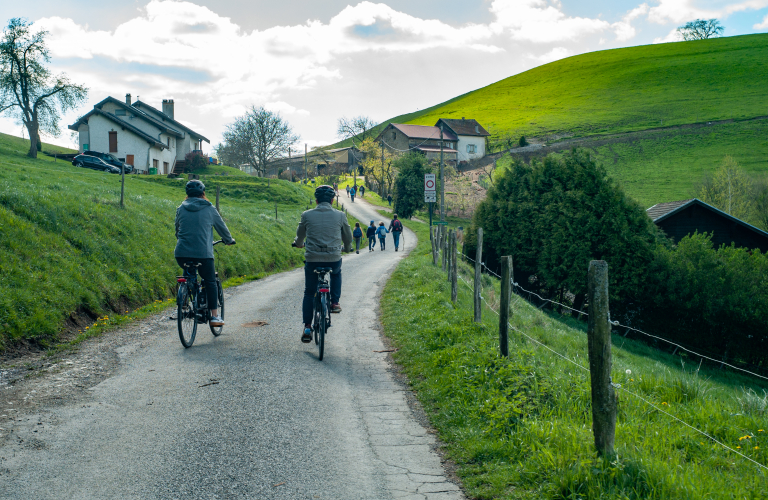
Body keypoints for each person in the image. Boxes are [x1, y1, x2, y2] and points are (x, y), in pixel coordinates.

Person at [293, 185, 353, 343]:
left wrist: (299, 244)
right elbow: (348, 237)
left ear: (316, 200)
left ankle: (307, 327)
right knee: (336, 272)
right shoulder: (340, 215)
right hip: (333, 258)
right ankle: (334, 302)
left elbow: (300, 237)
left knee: (308, 292)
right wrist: (347, 248)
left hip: (312, 259)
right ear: (333, 200)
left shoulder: (306, 215)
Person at [175, 180, 235, 327]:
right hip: (203, 254)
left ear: (187, 194)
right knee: (210, 281)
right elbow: (222, 228)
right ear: (203, 193)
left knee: (188, 274)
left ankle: (183, 303)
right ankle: (214, 317)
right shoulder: (210, 209)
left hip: (181, 253)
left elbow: (177, 231)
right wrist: (228, 240)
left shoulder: (180, 209)